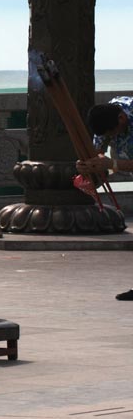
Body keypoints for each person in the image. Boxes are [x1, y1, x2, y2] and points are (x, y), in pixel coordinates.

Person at [77, 96, 133, 301]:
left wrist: (112, 165)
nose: (112, 138)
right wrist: (87, 165)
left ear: (121, 119)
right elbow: (97, 154)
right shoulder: (106, 118)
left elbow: (109, 163)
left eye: (113, 134)